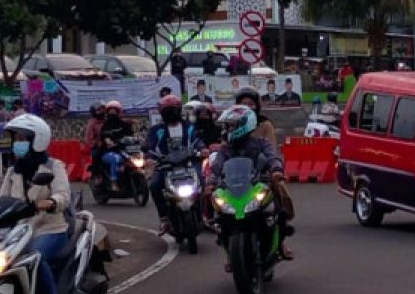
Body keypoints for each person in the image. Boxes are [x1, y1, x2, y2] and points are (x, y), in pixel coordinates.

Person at [0, 113, 71, 294]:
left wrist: (50, 202)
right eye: (16, 138)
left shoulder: (53, 166)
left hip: (50, 228)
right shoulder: (14, 170)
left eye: (22, 138)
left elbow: (63, 195)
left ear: (36, 140)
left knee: (35, 257)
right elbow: (2, 200)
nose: (18, 143)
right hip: (19, 232)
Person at [208, 105, 293, 263]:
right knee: (218, 213)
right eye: (227, 126)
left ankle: (281, 241)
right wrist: (210, 181)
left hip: (256, 184)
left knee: (276, 209)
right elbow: (216, 167)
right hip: (233, 189)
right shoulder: (226, 149)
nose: (227, 129)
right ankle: (228, 248)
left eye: (231, 126)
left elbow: (272, 156)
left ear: (244, 125)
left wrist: (275, 170)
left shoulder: (261, 144)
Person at [143, 95, 203, 235]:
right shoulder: (156, 130)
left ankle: (202, 215)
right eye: (168, 110)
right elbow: (149, 146)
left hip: (187, 164)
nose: (172, 113)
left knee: (202, 181)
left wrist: (202, 149)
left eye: (174, 110)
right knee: (154, 185)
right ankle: (164, 219)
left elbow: (197, 141)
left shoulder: (189, 127)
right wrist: (149, 158)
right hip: (165, 167)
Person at [99, 100, 135, 190]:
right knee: (115, 159)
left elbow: (131, 135)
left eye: (114, 112)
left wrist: (137, 140)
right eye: (110, 112)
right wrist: (109, 142)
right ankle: (113, 182)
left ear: (119, 112)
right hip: (108, 152)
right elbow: (105, 136)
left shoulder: (124, 124)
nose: (112, 114)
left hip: (122, 151)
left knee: (135, 159)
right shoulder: (105, 126)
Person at [84, 102, 106, 182]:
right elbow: (88, 139)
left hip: (109, 144)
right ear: (94, 112)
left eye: (103, 109)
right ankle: (97, 174)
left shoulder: (106, 121)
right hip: (97, 147)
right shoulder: (92, 123)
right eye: (99, 110)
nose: (102, 112)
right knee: (96, 155)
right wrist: (97, 143)